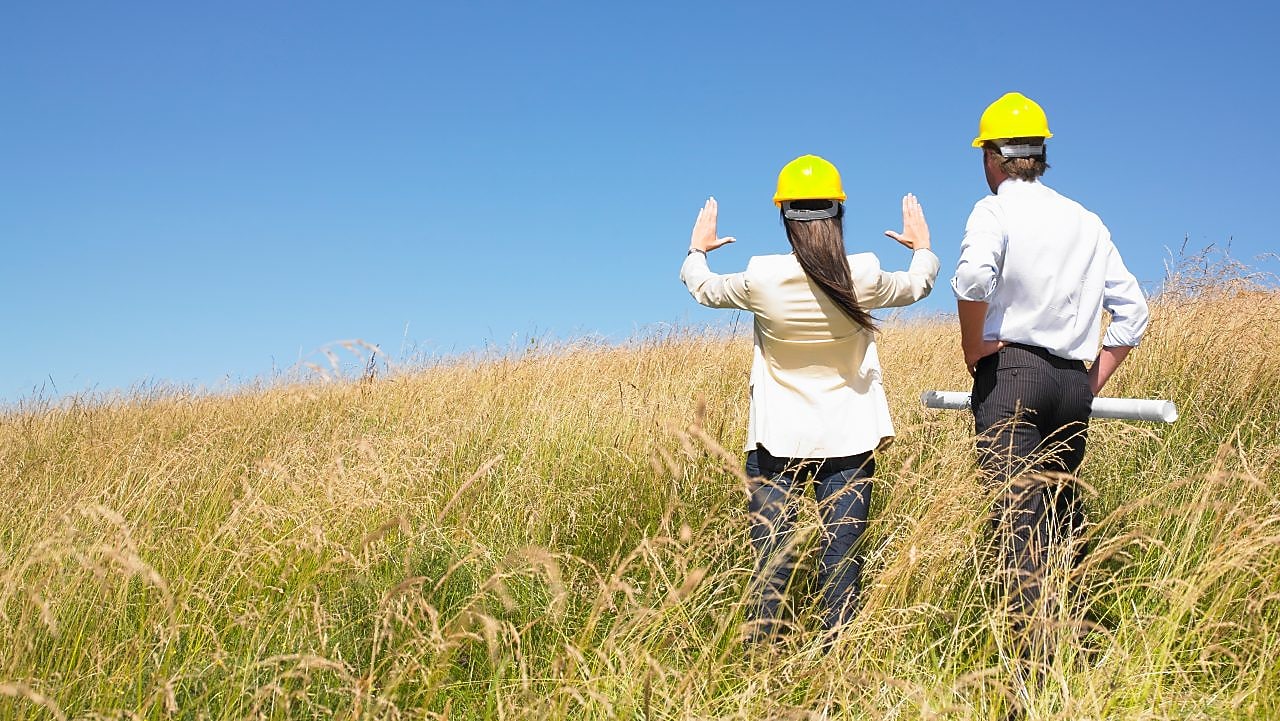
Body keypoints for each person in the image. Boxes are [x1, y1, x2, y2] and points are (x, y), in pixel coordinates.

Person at [680, 155, 939, 642]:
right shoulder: (863, 273)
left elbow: (703, 288)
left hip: (776, 440)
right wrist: (922, 248)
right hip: (848, 440)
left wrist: (697, 250)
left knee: (771, 569)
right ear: (838, 213)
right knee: (841, 572)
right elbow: (919, 284)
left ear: (784, 217)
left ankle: (764, 670)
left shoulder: (762, 277)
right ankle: (835, 671)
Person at [951, 92, 1150, 667]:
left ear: (991, 158)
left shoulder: (994, 210)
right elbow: (1133, 312)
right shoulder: (1087, 221)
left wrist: (974, 345)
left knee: (1018, 527)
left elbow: (971, 280)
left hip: (1010, 375)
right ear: (1041, 154)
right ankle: (1082, 662)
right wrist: (1091, 381)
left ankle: (1030, 679)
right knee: (1063, 522)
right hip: (1071, 384)